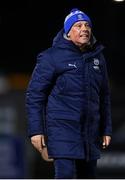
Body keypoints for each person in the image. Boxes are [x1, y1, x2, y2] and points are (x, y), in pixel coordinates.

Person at [26, 8, 112, 179]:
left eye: (87, 25)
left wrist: (106, 129)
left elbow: (104, 97)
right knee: (65, 176)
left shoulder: (97, 57)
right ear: (68, 31)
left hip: (90, 132)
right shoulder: (51, 57)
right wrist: (36, 131)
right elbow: (34, 95)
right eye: (78, 25)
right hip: (62, 132)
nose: (84, 29)